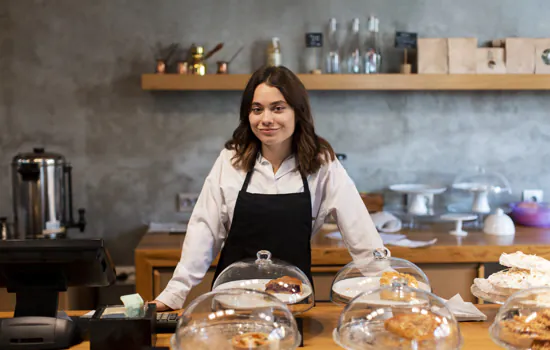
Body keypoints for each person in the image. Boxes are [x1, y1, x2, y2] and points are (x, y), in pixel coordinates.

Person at [151, 65, 387, 311]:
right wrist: (174, 293)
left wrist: (386, 286)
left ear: (298, 111)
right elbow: (204, 229)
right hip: (232, 300)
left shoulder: (322, 163)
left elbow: (359, 226)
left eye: (278, 108)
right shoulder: (232, 159)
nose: (266, 119)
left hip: (294, 301)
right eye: (257, 109)